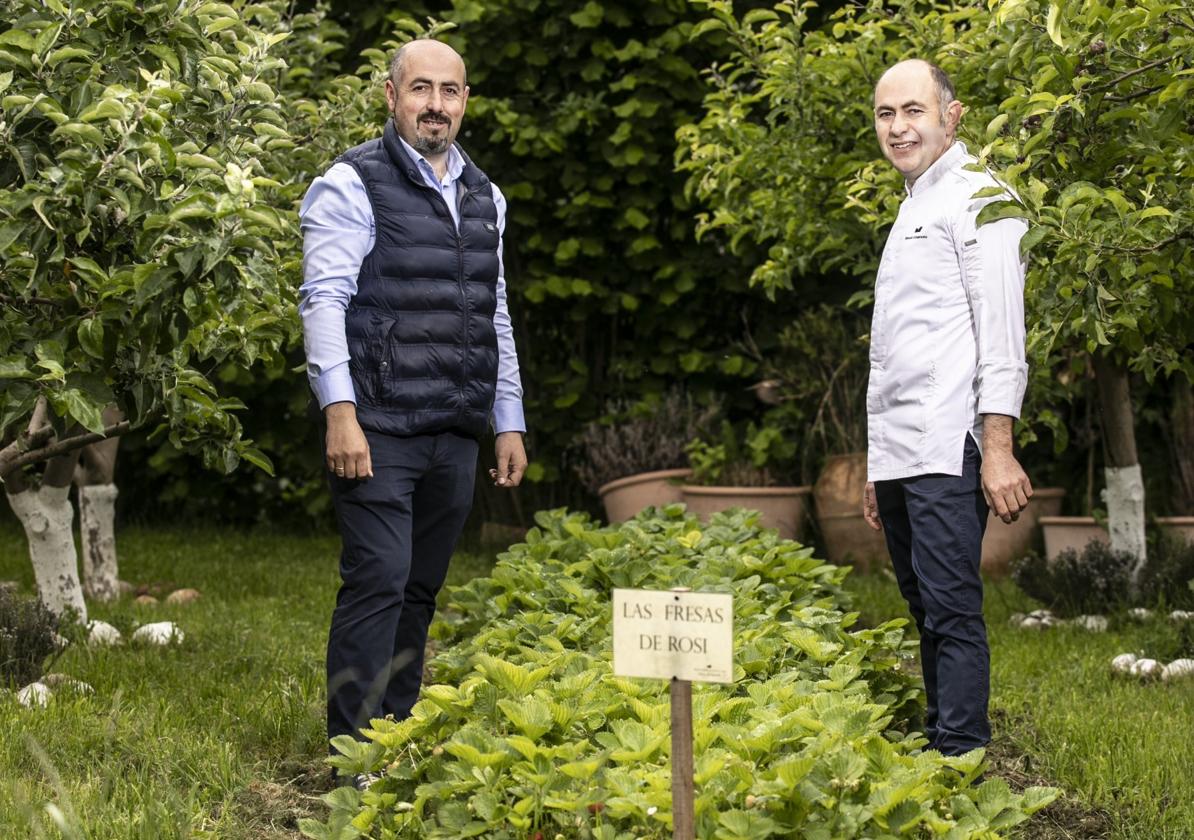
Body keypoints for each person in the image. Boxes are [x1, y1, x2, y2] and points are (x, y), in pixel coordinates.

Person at [298, 39, 528, 756]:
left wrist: (507, 420)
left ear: (466, 102)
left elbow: (494, 314)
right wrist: (341, 413)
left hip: (454, 429)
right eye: (421, 88)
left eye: (450, 91)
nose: (436, 104)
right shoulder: (350, 183)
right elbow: (324, 300)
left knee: (421, 586)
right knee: (379, 580)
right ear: (391, 96)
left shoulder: (485, 196)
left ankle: (391, 741)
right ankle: (350, 753)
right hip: (378, 426)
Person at [861, 59, 1032, 757]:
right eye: (885, 114)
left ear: (951, 116)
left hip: (949, 444)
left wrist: (998, 447)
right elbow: (898, 353)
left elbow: (1002, 333)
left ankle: (960, 758)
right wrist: (878, 467)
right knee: (923, 606)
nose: (899, 127)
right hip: (903, 449)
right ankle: (941, 740)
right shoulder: (912, 205)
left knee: (953, 610)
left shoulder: (982, 200)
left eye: (913, 111)